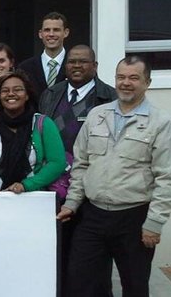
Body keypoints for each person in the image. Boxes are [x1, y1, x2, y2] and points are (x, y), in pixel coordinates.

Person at [57, 56, 171, 296]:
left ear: (148, 82)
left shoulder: (162, 123)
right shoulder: (97, 115)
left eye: (134, 78)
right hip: (92, 216)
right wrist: (72, 202)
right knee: (82, 282)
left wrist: (154, 224)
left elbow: (169, 178)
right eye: (121, 77)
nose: (126, 83)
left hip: (134, 218)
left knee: (134, 286)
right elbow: (81, 164)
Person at [38, 45, 116, 296]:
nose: (76, 66)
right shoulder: (51, 93)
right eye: (72, 61)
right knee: (56, 253)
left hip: (93, 189)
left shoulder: (110, 97)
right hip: (54, 188)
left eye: (83, 62)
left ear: (95, 66)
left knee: (93, 259)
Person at [0, 72, 66, 193]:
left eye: (18, 89)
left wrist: (26, 185)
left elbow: (57, 163)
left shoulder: (44, 124)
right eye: (5, 91)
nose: (11, 94)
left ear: (27, 95)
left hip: (34, 199)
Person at [17, 12, 70, 95]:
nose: (51, 34)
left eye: (56, 30)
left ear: (66, 33)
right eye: (47, 30)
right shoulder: (25, 68)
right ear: (40, 34)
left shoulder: (76, 66)